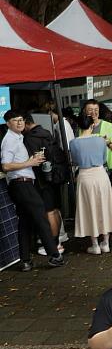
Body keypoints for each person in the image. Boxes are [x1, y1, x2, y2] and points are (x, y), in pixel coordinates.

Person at [1, 110, 66, 270]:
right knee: (40, 217)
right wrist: (29, 163)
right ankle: (54, 255)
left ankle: (25, 261)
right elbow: (6, 166)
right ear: (8, 123)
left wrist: (32, 161)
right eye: (15, 120)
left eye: (21, 120)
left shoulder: (19, 138)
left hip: (23, 183)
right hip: (21, 183)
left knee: (25, 222)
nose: (19, 123)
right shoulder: (9, 140)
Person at [70, 114, 112, 254]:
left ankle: (95, 244)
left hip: (84, 176)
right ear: (92, 125)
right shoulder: (100, 140)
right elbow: (104, 158)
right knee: (105, 207)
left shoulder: (73, 143)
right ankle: (106, 243)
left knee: (89, 208)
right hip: (100, 175)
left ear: (79, 126)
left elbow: (74, 161)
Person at [22, 114, 65, 255]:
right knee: (56, 209)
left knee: (49, 211)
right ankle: (58, 242)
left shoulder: (30, 138)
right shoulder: (46, 133)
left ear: (26, 123)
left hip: (43, 180)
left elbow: (33, 161)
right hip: (55, 176)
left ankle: (53, 245)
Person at [83, 99, 112, 169]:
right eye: (90, 110)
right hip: (88, 166)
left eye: (96, 110)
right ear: (85, 111)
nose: (93, 112)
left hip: (106, 166)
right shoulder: (81, 128)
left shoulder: (108, 125)